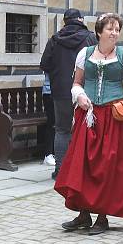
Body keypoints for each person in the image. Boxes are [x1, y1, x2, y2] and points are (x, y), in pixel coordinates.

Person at [54, 13, 123, 235]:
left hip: (114, 118)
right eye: (110, 28)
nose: (114, 32)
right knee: (83, 166)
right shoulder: (86, 53)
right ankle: (83, 214)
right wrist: (79, 95)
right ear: (99, 32)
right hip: (88, 117)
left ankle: (102, 217)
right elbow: (77, 83)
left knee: (107, 167)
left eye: (117, 29)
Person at [40, 9, 98, 179]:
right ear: (80, 19)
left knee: (62, 130)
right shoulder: (90, 38)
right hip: (84, 91)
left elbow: (44, 64)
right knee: (87, 129)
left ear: (65, 21)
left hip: (60, 92)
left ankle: (60, 171)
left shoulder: (55, 39)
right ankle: (83, 171)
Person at [42, 73, 56, 166]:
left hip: (61, 91)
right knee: (51, 123)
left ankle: (54, 152)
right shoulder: (49, 58)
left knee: (58, 124)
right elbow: (44, 65)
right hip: (49, 92)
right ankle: (48, 154)